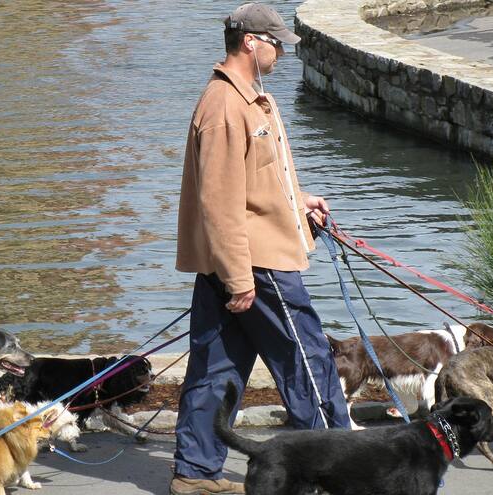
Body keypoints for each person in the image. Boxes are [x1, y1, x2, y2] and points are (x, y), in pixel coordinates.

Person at [171, 3, 351, 494]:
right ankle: (330, 470)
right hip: (255, 265)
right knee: (307, 362)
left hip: (238, 261)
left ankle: (195, 474)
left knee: (215, 368)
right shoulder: (227, 107)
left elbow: (257, 182)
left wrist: (299, 201)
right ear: (250, 42)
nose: (281, 52)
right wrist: (240, 279)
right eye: (276, 43)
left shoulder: (247, 99)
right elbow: (221, 204)